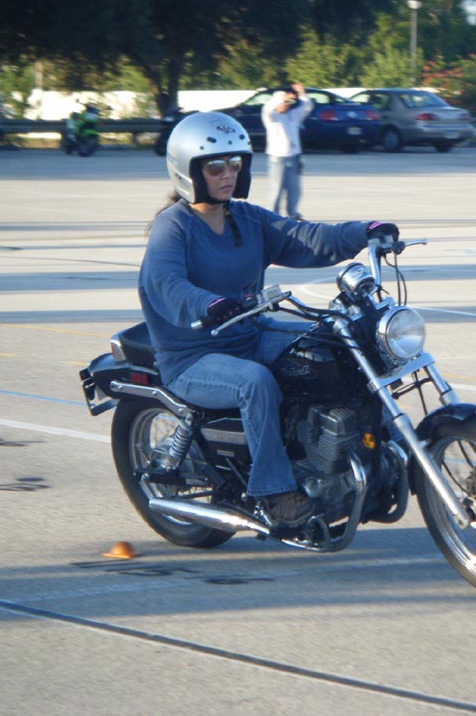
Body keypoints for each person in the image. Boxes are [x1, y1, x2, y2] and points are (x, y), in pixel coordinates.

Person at [138, 111, 398, 527]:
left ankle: (377, 451)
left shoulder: (246, 218)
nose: (228, 174)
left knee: (339, 343)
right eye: (215, 166)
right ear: (189, 170)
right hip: (193, 356)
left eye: (235, 164)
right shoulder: (173, 227)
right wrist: (208, 304)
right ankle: (273, 493)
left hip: (250, 334)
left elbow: (306, 237)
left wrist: (363, 231)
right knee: (255, 383)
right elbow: (165, 283)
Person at [261, 82, 313, 219]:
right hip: (278, 158)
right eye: (285, 102)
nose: (287, 105)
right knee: (276, 189)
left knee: (295, 190)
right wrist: (282, 98)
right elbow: (267, 108)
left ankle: (293, 214)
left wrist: (302, 94)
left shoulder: (293, 116)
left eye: (289, 103)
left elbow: (307, 107)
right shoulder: (271, 117)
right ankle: (273, 216)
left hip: (294, 156)